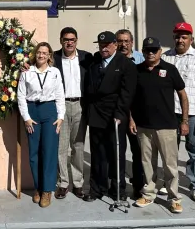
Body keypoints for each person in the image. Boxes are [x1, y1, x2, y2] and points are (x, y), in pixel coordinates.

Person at [132, 37, 189, 214]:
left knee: (170, 165)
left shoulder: (170, 70)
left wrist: (185, 121)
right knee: (147, 163)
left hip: (167, 126)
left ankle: (174, 198)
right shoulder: (136, 71)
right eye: (147, 50)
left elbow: (183, 95)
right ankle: (149, 194)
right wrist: (132, 119)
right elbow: (130, 98)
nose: (150, 53)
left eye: (154, 50)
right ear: (142, 51)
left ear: (160, 52)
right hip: (143, 126)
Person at [162, 22, 195, 202]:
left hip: (192, 113)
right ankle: (169, 182)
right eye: (177, 36)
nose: (180, 40)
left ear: (191, 39)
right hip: (170, 112)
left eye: (184, 37)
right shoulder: (166, 57)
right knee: (169, 151)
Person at [80, 31, 137, 202]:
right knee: (98, 154)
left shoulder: (126, 64)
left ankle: (117, 189)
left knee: (116, 153)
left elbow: (127, 93)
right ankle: (96, 188)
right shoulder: (95, 62)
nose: (103, 48)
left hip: (115, 114)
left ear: (115, 44)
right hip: (97, 113)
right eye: (100, 45)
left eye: (107, 45)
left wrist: (120, 113)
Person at [17, 42, 65, 208]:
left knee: (49, 151)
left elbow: (60, 95)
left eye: (45, 53)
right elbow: (21, 96)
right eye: (39, 52)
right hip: (32, 111)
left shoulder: (55, 72)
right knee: (34, 152)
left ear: (49, 56)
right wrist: (26, 118)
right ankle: (38, 187)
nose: (41, 55)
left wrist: (61, 117)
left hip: (49, 110)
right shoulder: (27, 72)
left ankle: (47, 190)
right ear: (35, 54)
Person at [54, 27, 93, 199]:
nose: (69, 42)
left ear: (76, 40)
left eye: (72, 39)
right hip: (60, 107)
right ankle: (63, 183)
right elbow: (37, 64)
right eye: (66, 39)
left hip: (80, 105)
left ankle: (78, 183)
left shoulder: (86, 57)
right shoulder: (54, 58)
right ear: (61, 40)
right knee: (61, 147)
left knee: (78, 146)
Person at [116, 29, 145, 199]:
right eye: (120, 41)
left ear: (132, 43)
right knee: (119, 151)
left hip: (138, 113)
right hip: (119, 113)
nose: (123, 44)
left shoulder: (141, 59)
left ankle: (138, 186)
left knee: (139, 152)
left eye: (127, 41)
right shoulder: (113, 60)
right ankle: (119, 187)